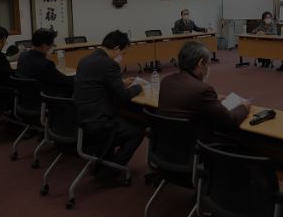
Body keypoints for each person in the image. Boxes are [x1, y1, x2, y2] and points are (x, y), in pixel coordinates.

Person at [73, 30, 144, 185]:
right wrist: (138, 87)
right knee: (137, 132)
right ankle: (110, 173)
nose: (122, 57)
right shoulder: (109, 64)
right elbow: (123, 97)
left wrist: (120, 83)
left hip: (81, 118)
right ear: (116, 48)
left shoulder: (85, 59)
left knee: (123, 119)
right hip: (98, 122)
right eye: (123, 53)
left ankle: (102, 165)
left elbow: (97, 83)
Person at [159, 41, 250, 141]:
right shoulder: (202, 90)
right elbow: (229, 120)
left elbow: (187, 100)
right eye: (207, 63)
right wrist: (244, 107)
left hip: (166, 141)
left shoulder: (166, 81)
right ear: (200, 63)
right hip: (195, 144)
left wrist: (212, 100)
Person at [16, 28, 74, 96]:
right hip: (48, 98)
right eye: (52, 45)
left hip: (27, 97)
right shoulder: (45, 64)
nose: (53, 47)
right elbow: (65, 81)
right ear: (44, 46)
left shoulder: (22, 56)